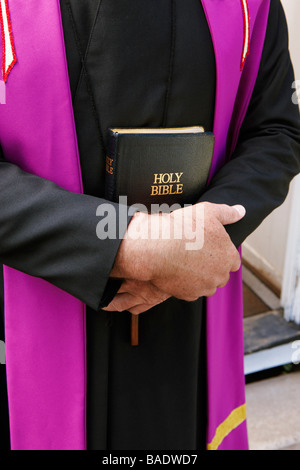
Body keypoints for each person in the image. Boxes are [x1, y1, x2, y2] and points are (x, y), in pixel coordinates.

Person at [0, 0, 300, 450]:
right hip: (38, 303)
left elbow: (276, 129)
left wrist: (198, 240)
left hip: (186, 326)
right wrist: (120, 242)